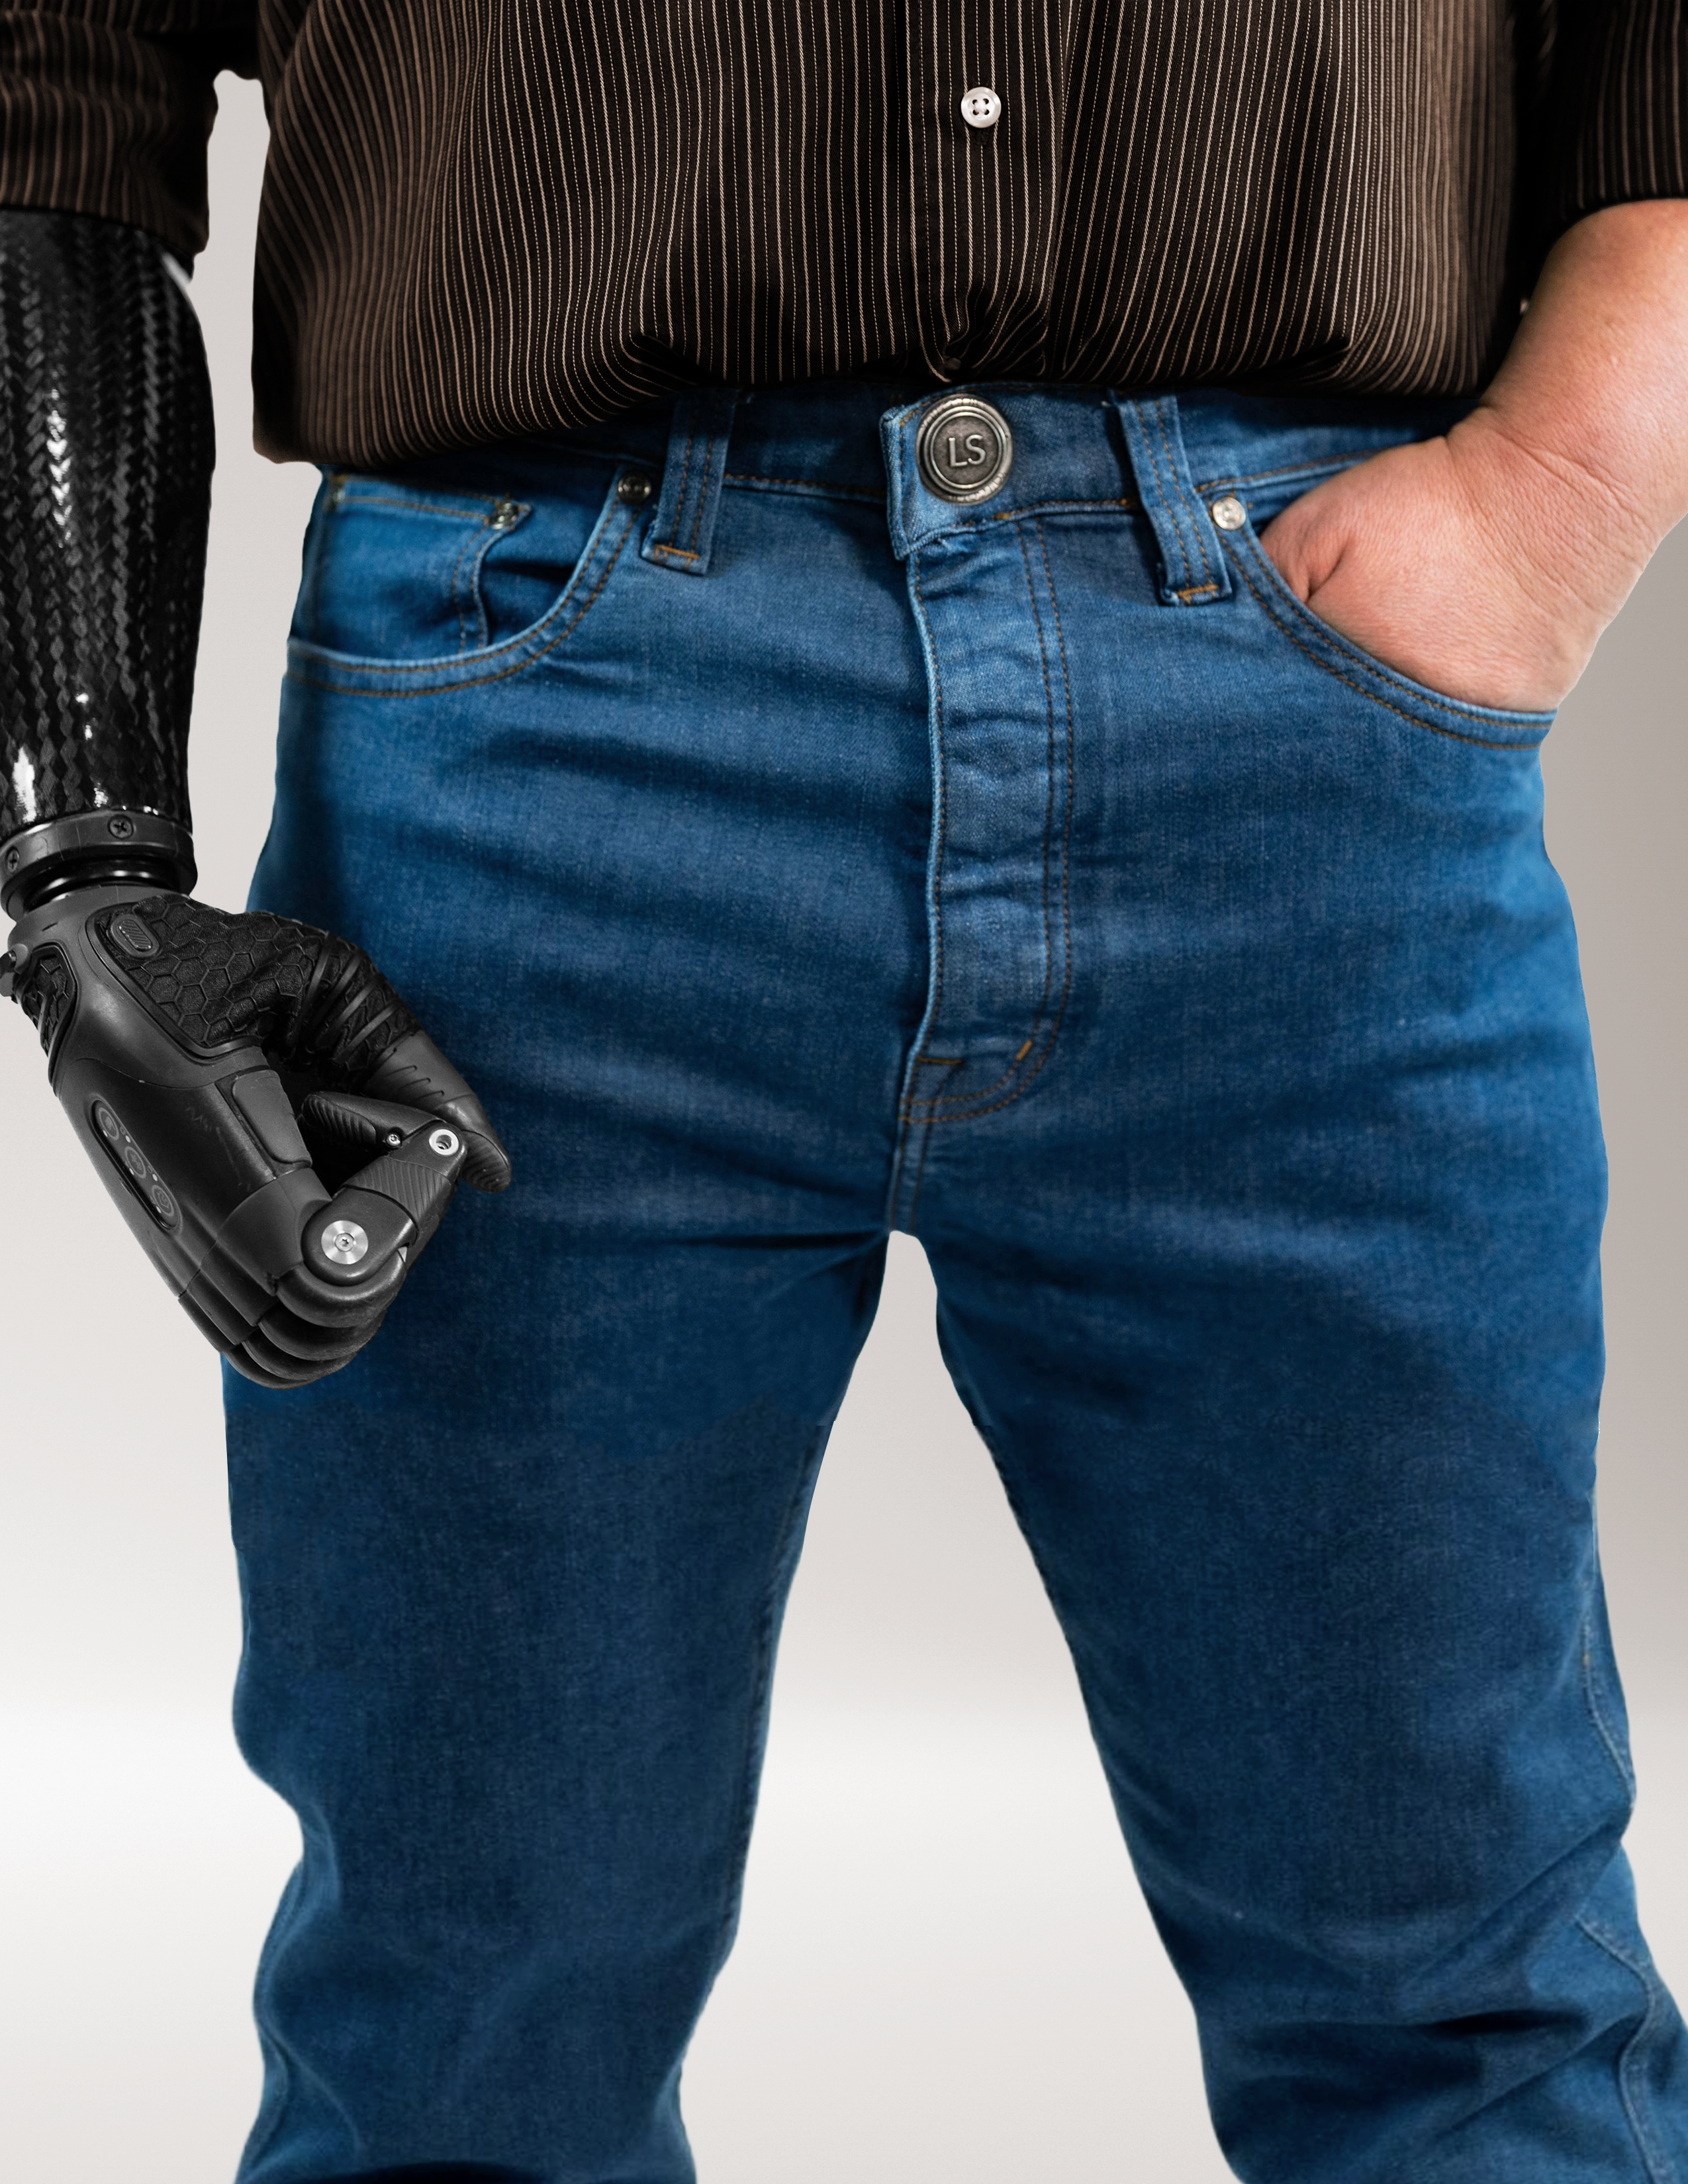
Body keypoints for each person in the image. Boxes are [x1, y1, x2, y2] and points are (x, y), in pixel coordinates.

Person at [3, 5, 1687, 2178]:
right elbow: (54, 80)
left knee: (1464, 2009)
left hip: (1299, 733)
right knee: (462, 2023)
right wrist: (84, 856)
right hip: (533, 761)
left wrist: (1554, 494)